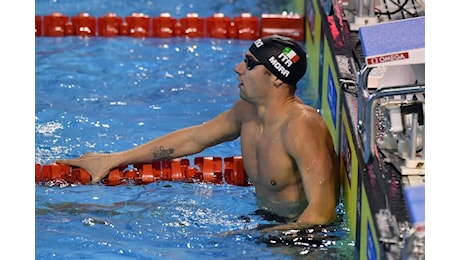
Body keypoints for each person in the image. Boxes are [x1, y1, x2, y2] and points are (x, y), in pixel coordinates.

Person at [57, 35, 341, 231]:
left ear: (277, 78)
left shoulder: (302, 127)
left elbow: (322, 212)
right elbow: (194, 138)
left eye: (250, 64)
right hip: (263, 223)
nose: (238, 68)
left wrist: (270, 238)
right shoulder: (247, 112)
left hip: (300, 238)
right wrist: (116, 158)